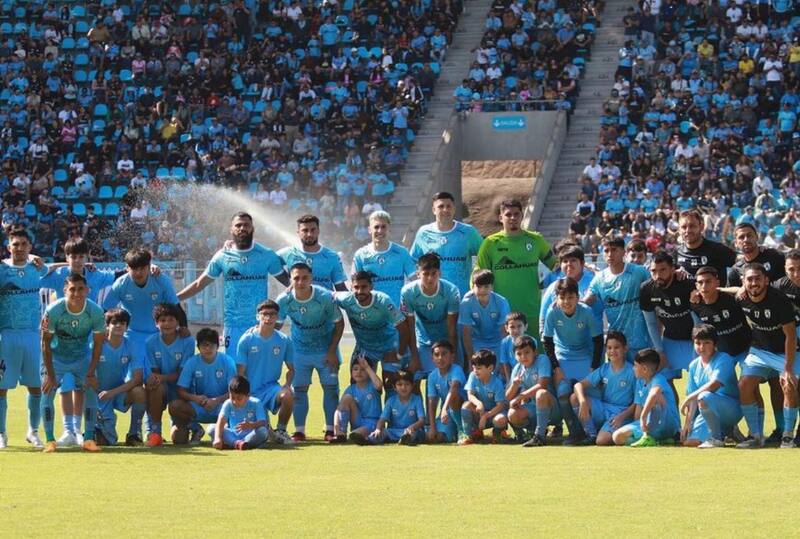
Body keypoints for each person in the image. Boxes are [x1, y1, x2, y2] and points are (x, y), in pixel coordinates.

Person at [177, 212, 288, 352]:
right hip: (233, 325)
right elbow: (200, 283)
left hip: (260, 323)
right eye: (238, 225)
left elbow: (289, 282)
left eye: (246, 225)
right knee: (234, 371)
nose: (242, 228)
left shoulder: (266, 255)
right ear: (231, 229)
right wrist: (175, 298)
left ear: (252, 228)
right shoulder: (222, 256)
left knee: (258, 370)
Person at [276, 263, 344, 442]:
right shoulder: (284, 300)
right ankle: (299, 431)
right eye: (296, 278)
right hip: (299, 351)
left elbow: (339, 323)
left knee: (330, 389)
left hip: (325, 350)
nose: (300, 282)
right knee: (299, 390)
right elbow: (276, 325)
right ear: (290, 279)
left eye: (304, 278)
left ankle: (330, 429)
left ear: (311, 278)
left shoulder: (324, 296)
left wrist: (331, 351)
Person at [40, 273, 106, 452]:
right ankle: (50, 440)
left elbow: (99, 344)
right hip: (56, 358)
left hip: (82, 358)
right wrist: (50, 375)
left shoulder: (96, 312)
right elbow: (45, 343)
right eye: (72, 289)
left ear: (87, 290)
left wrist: (91, 373)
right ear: (64, 290)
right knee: (47, 392)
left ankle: (89, 439)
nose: (76, 293)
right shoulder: (53, 310)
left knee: (91, 390)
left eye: (80, 289)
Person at [736, 263, 798, 449]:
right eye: (749, 279)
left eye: (757, 279)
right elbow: (726, 291)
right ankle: (756, 435)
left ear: (766, 280)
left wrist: (787, 368)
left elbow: (791, 336)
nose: (753, 283)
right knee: (744, 385)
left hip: (785, 351)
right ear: (743, 282)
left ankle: (787, 436)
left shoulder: (780, 300)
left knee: (788, 384)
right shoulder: (742, 297)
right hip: (760, 351)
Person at [476, 198, 557, 337]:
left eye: (516, 214)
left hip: (531, 310)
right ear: (501, 217)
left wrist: (545, 282)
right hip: (502, 312)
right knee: (505, 355)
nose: (512, 218)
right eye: (508, 214)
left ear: (522, 216)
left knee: (534, 354)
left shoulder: (535, 240)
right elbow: (479, 275)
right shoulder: (490, 243)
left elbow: (555, 265)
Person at [0, 227, 47, 449]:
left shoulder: (37, 268)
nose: (19, 248)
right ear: (8, 247)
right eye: (15, 244)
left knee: (35, 387)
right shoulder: (1, 270)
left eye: (23, 244)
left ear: (30, 247)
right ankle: (1, 434)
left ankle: (33, 431)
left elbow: (59, 269)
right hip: (6, 335)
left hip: (31, 335)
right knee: (2, 387)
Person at [543, 277, 603, 444]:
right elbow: (547, 341)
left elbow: (598, 340)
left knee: (588, 395)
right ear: (557, 298)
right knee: (563, 395)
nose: (566, 301)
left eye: (570, 297)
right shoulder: (552, 313)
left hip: (584, 357)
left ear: (578, 297)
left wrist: (593, 367)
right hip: (563, 357)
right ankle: (574, 432)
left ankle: (592, 432)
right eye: (562, 297)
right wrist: (556, 367)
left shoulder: (586, 312)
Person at [334, 271, 409, 393]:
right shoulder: (346, 299)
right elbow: (326, 295)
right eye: (356, 287)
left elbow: (404, 329)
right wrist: (292, 288)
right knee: (357, 385)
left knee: (391, 385)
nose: (359, 291)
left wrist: (399, 354)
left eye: (364, 287)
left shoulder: (384, 301)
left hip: (388, 347)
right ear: (351, 287)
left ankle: (389, 412)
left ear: (371, 287)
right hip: (365, 348)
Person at [102, 248, 183, 362]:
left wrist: (183, 328)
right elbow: (105, 310)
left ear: (149, 266)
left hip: (159, 334)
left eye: (142, 268)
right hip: (131, 336)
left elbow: (176, 307)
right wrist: (103, 331)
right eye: (134, 269)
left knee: (161, 374)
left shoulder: (161, 280)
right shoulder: (121, 284)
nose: (138, 273)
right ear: (127, 268)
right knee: (135, 375)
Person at [583, 237, 652, 362]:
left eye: (614, 250)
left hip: (640, 340)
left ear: (623, 252)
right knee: (617, 379)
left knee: (643, 379)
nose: (610, 254)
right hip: (616, 342)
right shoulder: (599, 278)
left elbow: (654, 297)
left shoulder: (639, 272)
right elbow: (588, 300)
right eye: (606, 250)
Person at [235, 300, 295, 445]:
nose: (268, 318)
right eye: (265, 314)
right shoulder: (246, 340)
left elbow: (291, 369)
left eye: (272, 314)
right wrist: (245, 395)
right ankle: (268, 430)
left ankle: (281, 430)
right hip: (251, 392)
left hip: (271, 389)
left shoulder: (284, 340)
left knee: (288, 395)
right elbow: (240, 373)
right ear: (258, 317)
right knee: (261, 434)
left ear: (277, 317)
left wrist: (287, 384)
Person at [169, 328, 237, 445]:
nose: (208, 349)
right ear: (198, 347)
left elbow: (234, 391)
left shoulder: (228, 362)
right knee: (174, 408)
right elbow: (181, 390)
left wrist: (216, 400)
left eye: (211, 345)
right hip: (199, 405)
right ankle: (196, 429)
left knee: (237, 405)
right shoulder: (192, 363)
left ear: (218, 345)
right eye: (204, 345)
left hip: (222, 406)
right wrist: (196, 398)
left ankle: (227, 431)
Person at [400, 253, 460, 382]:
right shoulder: (408, 292)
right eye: (426, 274)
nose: (430, 278)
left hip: (445, 342)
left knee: (449, 381)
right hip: (423, 342)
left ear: (440, 273)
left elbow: (452, 328)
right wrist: (415, 357)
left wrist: (451, 355)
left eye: (434, 273)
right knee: (413, 379)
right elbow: (410, 326)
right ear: (418, 274)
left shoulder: (451, 291)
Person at [640, 251, 696, 390]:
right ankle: (672, 413)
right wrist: (659, 350)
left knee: (697, 385)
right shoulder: (646, 289)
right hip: (669, 342)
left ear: (673, 269)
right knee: (664, 385)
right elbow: (651, 323)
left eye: (663, 270)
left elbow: (698, 319)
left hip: (693, 341)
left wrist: (698, 345)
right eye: (654, 271)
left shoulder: (687, 284)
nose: (658, 275)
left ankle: (696, 413)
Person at [680, 325, 742, 448]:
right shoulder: (693, 365)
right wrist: (687, 424)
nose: (701, 347)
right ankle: (728, 432)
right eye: (698, 343)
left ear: (715, 344)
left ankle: (717, 438)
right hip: (708, 409)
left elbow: (714, 385)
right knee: (688, 442)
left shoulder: (724, 359)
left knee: (703, 396)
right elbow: (693, 401)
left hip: (731, 409)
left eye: (706, 343)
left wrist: (688, 398)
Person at [410, 191, 483, 295]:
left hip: (462, 294)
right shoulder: (424, 232)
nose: (445, 210)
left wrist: (476, 276)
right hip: (434, 296)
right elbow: (413, 260)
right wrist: (421, 283)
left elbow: (483, 255)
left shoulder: (468, 232)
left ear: (454, 209)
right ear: (434, 210)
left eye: (449, 206)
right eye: (441, 206)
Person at [144, 303, 196, 447]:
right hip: (162, 387)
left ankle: (192, 426)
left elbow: (182, 374)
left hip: (181, 390)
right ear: (156, 323)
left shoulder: (188, 341)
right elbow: (155, 375)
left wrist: (162, 378)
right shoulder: (150, 342)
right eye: (162, 320)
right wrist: (158, 379)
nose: (167, 324)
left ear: (178, 322)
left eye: (171, 320)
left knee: (179, 440)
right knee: (154, 386)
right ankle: (155, 431)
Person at [571, 331, 636, 446]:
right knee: (575, 397)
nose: (612, 351)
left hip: (621, 412)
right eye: (609, 348)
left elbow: (637, 402)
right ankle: (591, 434)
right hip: (603, 407)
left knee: (601, 441)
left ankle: (622, 432)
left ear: (625, 349)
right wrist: (582, 401)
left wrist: (622, 417)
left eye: (616, 347)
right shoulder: (604, 368)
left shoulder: (632, 371)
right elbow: (578, 385)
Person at [93, 309, 146, 446]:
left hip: (117, 393)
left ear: (127, 327)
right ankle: (89, 430)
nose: (118, 326)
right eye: (114, 322)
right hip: (98, 395)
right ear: (107, 325)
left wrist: (112, 393)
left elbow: (137, 378)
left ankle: (134, 433)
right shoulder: (97, 344)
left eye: (122, 323)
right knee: (105, 442)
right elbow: (87, 373)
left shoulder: (131, 346)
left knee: (139, 391)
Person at [611, 349, 680, 447]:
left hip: (668, 424)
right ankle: (658, 440)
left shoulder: (658, 379)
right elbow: (638, 409)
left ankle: (657, 436)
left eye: (635, 365)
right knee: (617, 437)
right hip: (649, 423)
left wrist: (643, 417)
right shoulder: (640, 382)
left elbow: (654, 394)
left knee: (657, 397)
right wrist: (639, 423)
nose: (633, 368)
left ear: (644, 369)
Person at [352, 211, 416, 307]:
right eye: (376, 227)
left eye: (383, 227)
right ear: (369, 229)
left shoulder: (402, 253)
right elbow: (354, 286)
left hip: (397, 313)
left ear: (389, 229)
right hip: (372, 312)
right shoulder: (360, 255)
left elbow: (415, 281)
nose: (380, 231)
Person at [506, 336, 557, 447]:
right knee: (512, 413)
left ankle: (539, 436)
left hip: (553, 408)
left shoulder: (542, 359)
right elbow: (508, 397)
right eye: (519, 354)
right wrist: (514, 385)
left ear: (535, 352)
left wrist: (521, 396)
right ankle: (532, 432)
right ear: (514, 355)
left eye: (527, 352)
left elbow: (542, 385)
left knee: (541, 393)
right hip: (533, 407)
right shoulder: (517, 368)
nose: (523, 356)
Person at [539, 245, 601, 332]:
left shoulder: (595, 281)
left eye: (573, 260)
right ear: (560, 265)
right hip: (562, 343)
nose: (569, 264)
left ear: (582, 263)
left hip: (592, 341)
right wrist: (542, 333)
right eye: (565, 261)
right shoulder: (555, 286)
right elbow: (544, 313)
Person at [278, 214, 348, 291]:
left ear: (318, 231)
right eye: (305, 230)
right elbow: (269, 261)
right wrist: (289, 282)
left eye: (313, 230)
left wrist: (354, 302)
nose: (309, 234)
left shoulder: (332, 257)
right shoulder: (288, 253)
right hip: (296, 302)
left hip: (325, 302)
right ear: (298, 232)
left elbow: (340, 288)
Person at [458, 269, 510, 363]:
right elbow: (466, 334)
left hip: (498, 342)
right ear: (472, 287)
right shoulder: (466, 303)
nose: (482, 290)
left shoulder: (502, 302)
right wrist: (471, 359)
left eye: (486, 286)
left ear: (492, 287)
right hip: (477, 342)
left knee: (499, 372)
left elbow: (504, 332)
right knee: (478, 370)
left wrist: (504, 360)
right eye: (478, 286)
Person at [675, 209, 737, 286]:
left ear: (702, 227)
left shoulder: (717, 249)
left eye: (692, 226)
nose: (688, 231)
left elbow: (743, 263)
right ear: (679, 230)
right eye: (684, 227)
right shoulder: (676, 253)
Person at [459, 349, 508, 445]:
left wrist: (486, 416)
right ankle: (469, 435)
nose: (475, 371)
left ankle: (498, 434)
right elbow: (470, 395)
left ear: (490, 368)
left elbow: (500, 406)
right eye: (474, 367)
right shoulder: (473, 376)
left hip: (493, 414)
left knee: (500, 419)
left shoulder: (497, 383)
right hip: (479, 413)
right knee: (466, 406)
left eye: (479, 368)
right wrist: (479, 403)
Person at [365, 370, 425, 445]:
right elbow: (382, 419)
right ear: (394, 387)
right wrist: (378, 429)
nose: (403, 387)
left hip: (411, 430)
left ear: (412, 385)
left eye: (407, 384)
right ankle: (369, 439)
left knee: (415, 434)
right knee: (383, 432)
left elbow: (422, 420)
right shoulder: (391, 401)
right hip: (394, 431)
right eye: (399, 384)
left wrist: (412, 427)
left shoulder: (417, 399)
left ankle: (406, 439)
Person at [210, 376, 269, 450]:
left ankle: (234, 444)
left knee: (262, 431)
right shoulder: (228, 403)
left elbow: (263, 422)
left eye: (239, 398)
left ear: (248, 396)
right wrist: (217, 438)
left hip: (250, 435)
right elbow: (221, 421)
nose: (235, 401)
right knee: (211, 428)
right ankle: (238, 444)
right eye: (232, 398)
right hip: (233, 434)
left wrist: (251, 425)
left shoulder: (256, 403)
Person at [333, 356, 382, 443]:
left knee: (354, 435)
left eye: (363, 369)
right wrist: (336, 428)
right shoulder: (351, 389)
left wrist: (367, 367)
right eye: (355, 369)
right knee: (347, 398)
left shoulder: (373, 385)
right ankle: (341, 434)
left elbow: (379, 385)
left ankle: (362, 436)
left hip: (373, 422)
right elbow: (339, 410)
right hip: (357, 420)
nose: (359, 372)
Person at [425, 341, 466, 443]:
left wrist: (444, 408)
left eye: (444, 354)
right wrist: (432, 426)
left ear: (452, 356)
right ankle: (452, 433)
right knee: (436, 437)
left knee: (454, 398)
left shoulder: (456, 369)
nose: (440, 358)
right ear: (432, 358)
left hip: (463, 410)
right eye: (436, 355)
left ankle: (462, 430)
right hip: (447, 413)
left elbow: (454, 388)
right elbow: (432, 402)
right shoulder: (432, 376)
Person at [497, 311, 528, 382]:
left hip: (527, 373)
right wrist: (509, 381)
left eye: (519, 326)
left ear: (525, 327)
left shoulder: (531, 341)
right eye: (512, 327)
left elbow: (534, 361)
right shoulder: (504, 342)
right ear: (506, 328)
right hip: (513, 374)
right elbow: (505, 363)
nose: (516, 330)